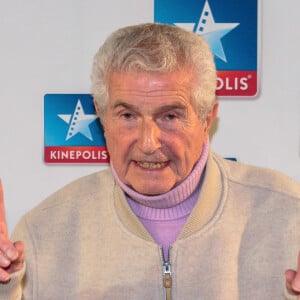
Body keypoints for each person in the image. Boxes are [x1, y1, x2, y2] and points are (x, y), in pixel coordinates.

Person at [0, 23, 299, 299]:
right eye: (128, 116)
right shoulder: (44, 231)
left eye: (170, 116)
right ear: (102, 116)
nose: (147, 142)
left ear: (207, 118)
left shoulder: (290, 216)